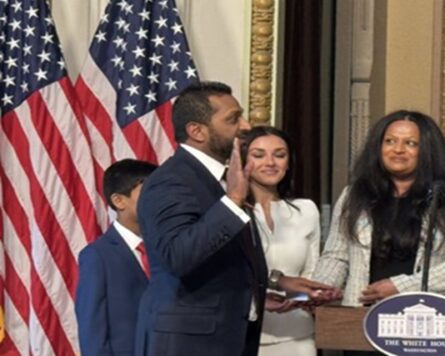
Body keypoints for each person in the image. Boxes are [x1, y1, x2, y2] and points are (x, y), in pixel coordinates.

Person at [134, 81, 339, 356]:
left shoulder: (222, 178)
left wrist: (274, 284)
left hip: (230, 336)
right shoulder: (172, 181)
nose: (245, 126)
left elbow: (227, 258)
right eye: (233, 119)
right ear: (197, 131)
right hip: (190, 343)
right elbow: (178, 256)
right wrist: (232, 201)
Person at [314, 110, 445, 308]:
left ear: (428, 151)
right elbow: (337, 256)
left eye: (411, 143)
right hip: (361, 312)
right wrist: (319, 290)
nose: (398, 150)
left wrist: (401, 286)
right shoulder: (354, 194)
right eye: (390, 141)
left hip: (426, 314)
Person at [238, 127, 320, 356]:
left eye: (279, 154)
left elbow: (311, 279)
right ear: (243, 160)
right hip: (243, 334)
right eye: (259, 155)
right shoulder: (229, 214)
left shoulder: (307, 210)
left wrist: (298, 298)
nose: (270, 162)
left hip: (297, 335)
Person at [75, 159, 157, 356]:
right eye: (150, 191)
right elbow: (92, 330)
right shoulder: (97, 256)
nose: (159, 199)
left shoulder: (165, 247)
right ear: (119, 201)